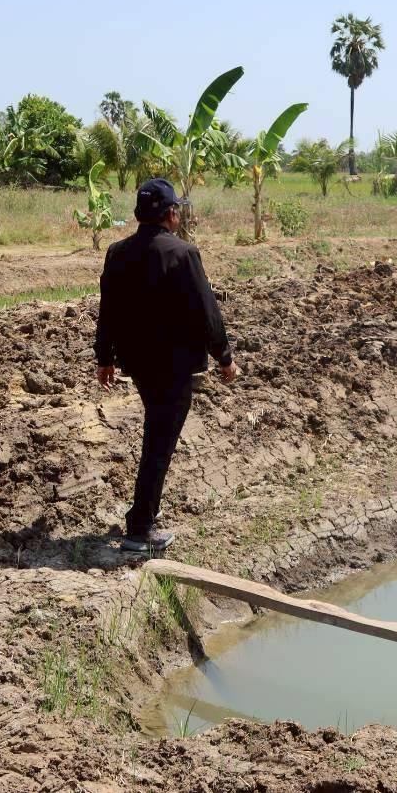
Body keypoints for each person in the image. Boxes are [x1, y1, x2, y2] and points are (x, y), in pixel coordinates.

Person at [95, 178, 239, 552]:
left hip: (138, 365)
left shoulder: (117, 252)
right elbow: (207, 312)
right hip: (172, 368)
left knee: (156, 435)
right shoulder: (183, 254)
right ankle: (140, 529)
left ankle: (142, 519)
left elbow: (108, 310)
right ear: (171, 214)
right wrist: (224, 357)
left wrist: (105, 358)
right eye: (177, 208)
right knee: (158, 443)